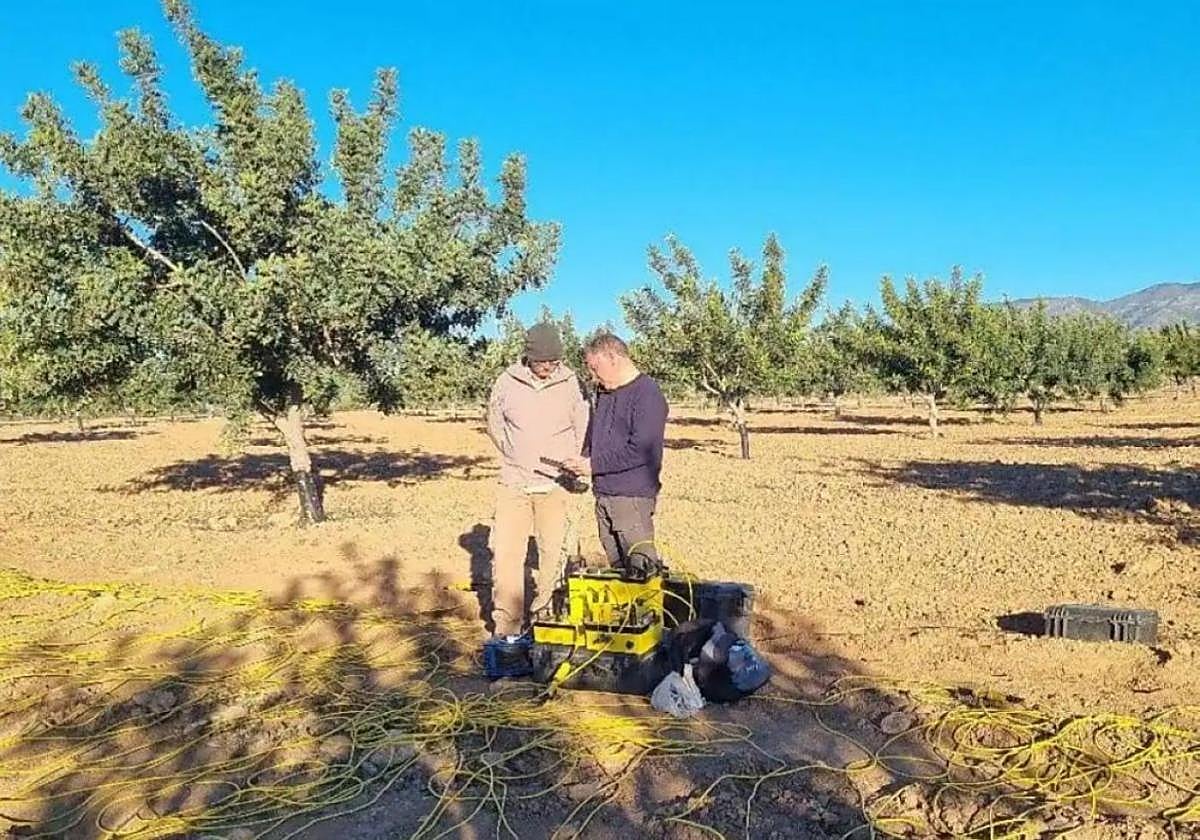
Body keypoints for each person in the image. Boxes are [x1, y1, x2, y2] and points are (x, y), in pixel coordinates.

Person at [485, 323, 589, 638]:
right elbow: (495, 425)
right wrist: (518, 456)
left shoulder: (573, 383)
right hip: (514, 483)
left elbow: (583, 427)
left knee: (554, 556)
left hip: (556, 484)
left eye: (553, 362)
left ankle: (546, 622)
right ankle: (507, 629)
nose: (547, 368)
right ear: (528, 357)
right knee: (505, 556)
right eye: (542, 362)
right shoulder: (506, 382)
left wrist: (575, 466)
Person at [566, 333, 669, 579]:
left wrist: (593, 465)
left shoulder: (647, 395)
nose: (592, 375)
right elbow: (600, 436)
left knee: (641, 571)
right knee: (618, 573)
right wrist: (582, 460)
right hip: (604, 494)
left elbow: (640, 450)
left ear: (613, 358)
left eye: (594, 367)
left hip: (631, 498)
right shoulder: (606, 393)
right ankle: (626, 616)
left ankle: (650, 615)